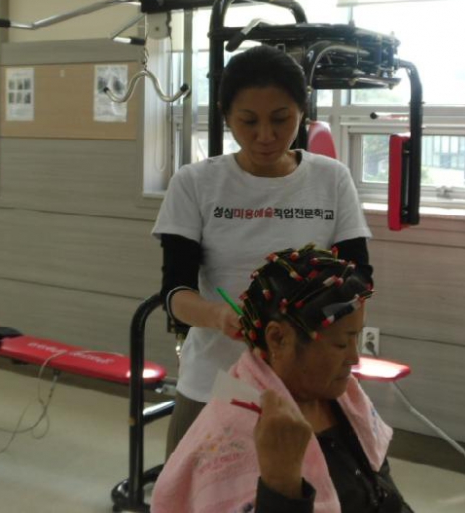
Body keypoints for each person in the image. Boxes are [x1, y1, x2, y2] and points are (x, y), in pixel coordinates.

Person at [152, 45, 373, 455]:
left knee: (305, 487)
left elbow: (359, 280)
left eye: (281, 119)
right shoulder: (195, 183)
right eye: (249, 121)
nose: (266, 136)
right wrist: (220, 317)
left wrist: (304, 323)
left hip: (306, 385)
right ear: (226, 116)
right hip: (217, 382)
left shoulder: (331, 179)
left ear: (303, 111)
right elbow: (175, 295)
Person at [151, 244, 414, 513]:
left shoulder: (346, 399)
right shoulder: (234, 432)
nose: (354, 358)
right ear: (278, 338)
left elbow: (382, 489)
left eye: (355, 338)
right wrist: (281, 484)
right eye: (340, 344)